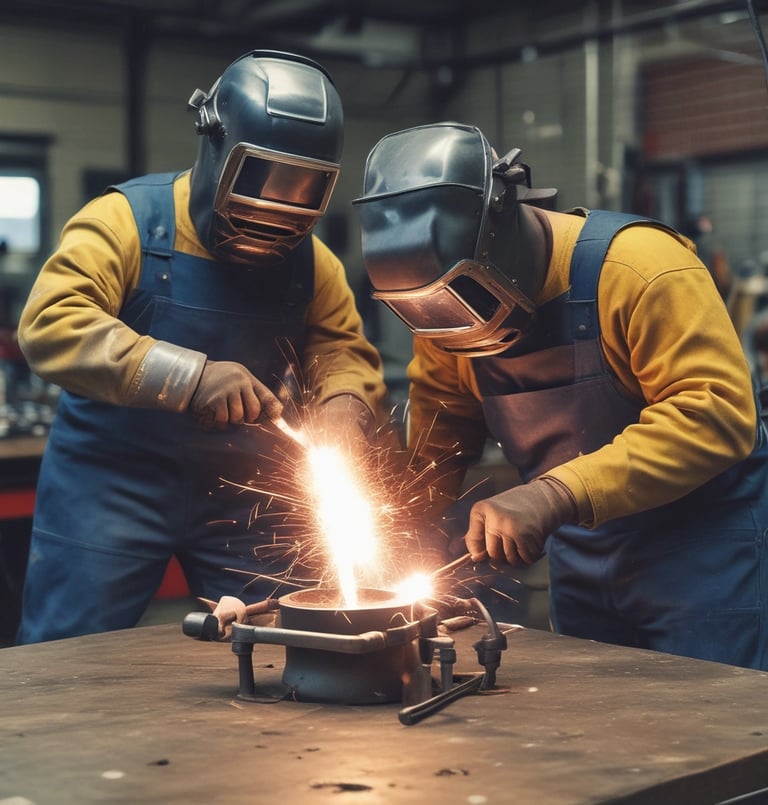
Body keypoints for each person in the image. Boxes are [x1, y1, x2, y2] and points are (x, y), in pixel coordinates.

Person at [352, 121, 768, 670]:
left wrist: (550, 496)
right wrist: (407, 532)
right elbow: (442, 431)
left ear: (501, 229)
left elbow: (715, 412)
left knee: (717, 732)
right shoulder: (443, 310)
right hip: (581, 556)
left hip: (703, 553)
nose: (458, 331)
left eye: (464, 293)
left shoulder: (640, 269)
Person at [15, 50, 387, 644]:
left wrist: (346, 405)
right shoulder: (123, 221)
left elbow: (343, 350)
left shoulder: (313, 263)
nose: (278, 206)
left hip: (245, 490)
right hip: (111, 480)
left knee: (288, 641)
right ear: (216, 150)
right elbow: (51, 324)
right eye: (262, 177)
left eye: (304, 188)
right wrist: (188, 376)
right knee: (66, 653)